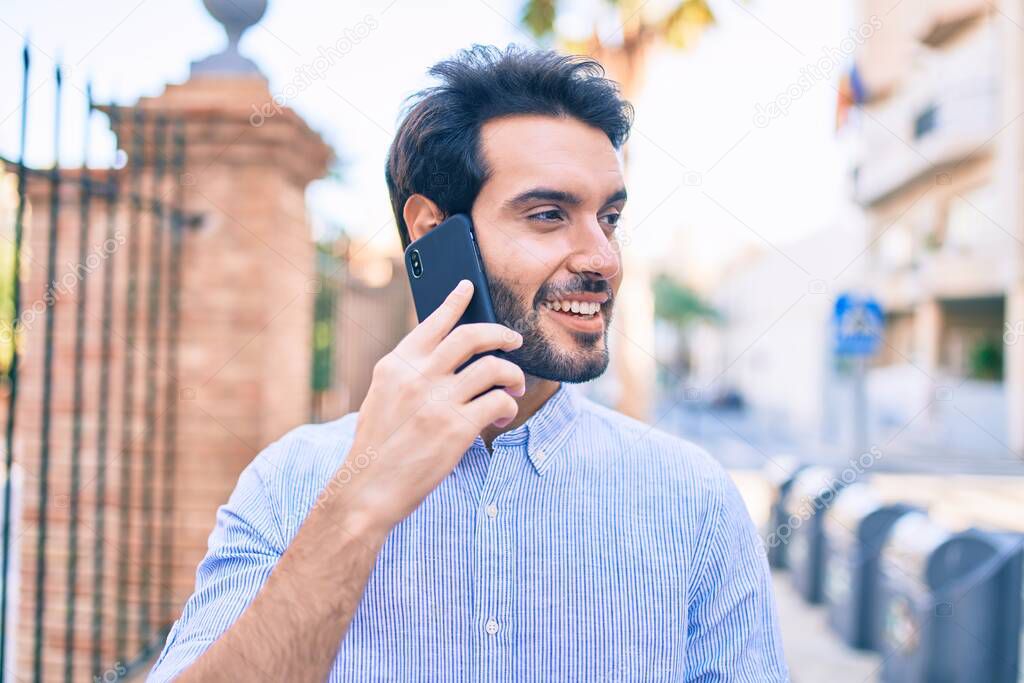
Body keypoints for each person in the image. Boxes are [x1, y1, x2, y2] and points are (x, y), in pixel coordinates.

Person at [149, 44, 789, 682]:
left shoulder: (693, 500)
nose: (603, 258)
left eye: (609, 217)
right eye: (548, 215)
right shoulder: (291, 482)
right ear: (433, 232)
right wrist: (358, 507)